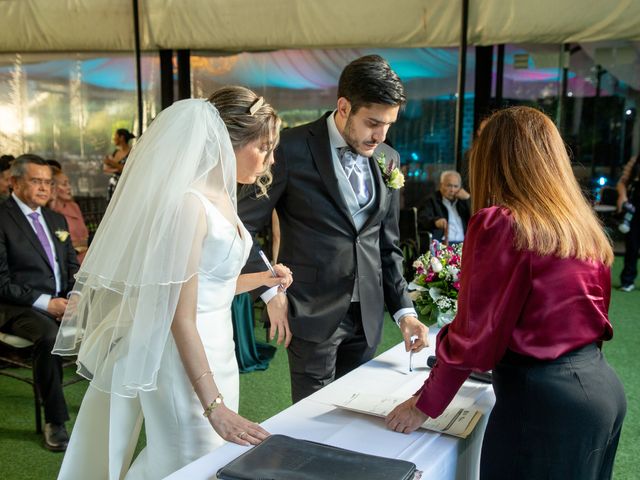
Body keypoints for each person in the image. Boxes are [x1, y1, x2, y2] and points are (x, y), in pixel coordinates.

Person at [53, 89, 293, 479]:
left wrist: (265, 278)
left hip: (219, 350)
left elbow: (209, 289)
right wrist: (214, 406)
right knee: (187, 458)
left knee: (208, 459)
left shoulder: (222, 196)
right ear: (226, 142)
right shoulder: (188, 204)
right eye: (264, 148)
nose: (270, 160)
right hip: (182, 357)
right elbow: (181, 315)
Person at [385, 107, 626, 479]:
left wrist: (424, 403)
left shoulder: (504, 222)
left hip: (543, 406)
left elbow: (473, 337)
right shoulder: (578, 226)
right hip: (600, 390)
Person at [238, 55, 429, 403]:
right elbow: (241, 227)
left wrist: (405, 312)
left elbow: (387, 246)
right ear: (343, 107)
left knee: (357, 413)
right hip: (311, 314)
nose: (380, 135)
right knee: (310, 423)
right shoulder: (290, 149)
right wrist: (269, 292)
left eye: (388, 124)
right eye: (372, 122)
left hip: (369, 317)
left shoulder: (389, 158)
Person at [0, 154, 79, 451]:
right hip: (17, 306)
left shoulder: (56, 219)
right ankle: (55, 420)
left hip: (61, 303)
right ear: (14, 182)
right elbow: (1, 282)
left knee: (117, 318)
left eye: (48, 182)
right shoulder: (2, 218)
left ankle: (114, 406)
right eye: (37, 181)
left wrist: (75, 297)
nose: (45, 188)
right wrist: (49, 304)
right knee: (49, 337)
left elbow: (72, 267)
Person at [48, 168, 90, 263]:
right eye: (64, 184)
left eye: (68, 183)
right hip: (67, 263)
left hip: (87, 260)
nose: (69, 187)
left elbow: (86, 236)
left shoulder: (74, 206)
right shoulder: (48, 212)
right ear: (52, 187)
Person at [418, 170, 470, 244]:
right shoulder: (431, 200)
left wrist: (468, 199)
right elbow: (422, 219)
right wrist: (435, 222)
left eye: (456, 186)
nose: (452, 190)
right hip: (442, 245)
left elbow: (477, 219)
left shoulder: (463, 202)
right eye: (449, 186)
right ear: (441, 185)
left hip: (464, 244)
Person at [616, 154, 639, 292]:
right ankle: (627, 281)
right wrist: (623, 198)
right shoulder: (636, 159)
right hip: (635, 206)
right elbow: (622, 182)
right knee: (632, 244)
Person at [103, 128, 135, 202]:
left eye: (115, 136)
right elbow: (106, 169)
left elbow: (129, 169)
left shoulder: (132, 152)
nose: (114, 138)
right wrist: (119, 169)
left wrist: (112, 163)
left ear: (122, 138)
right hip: (113, 185)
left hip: (125, 186)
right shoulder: (115, 152)